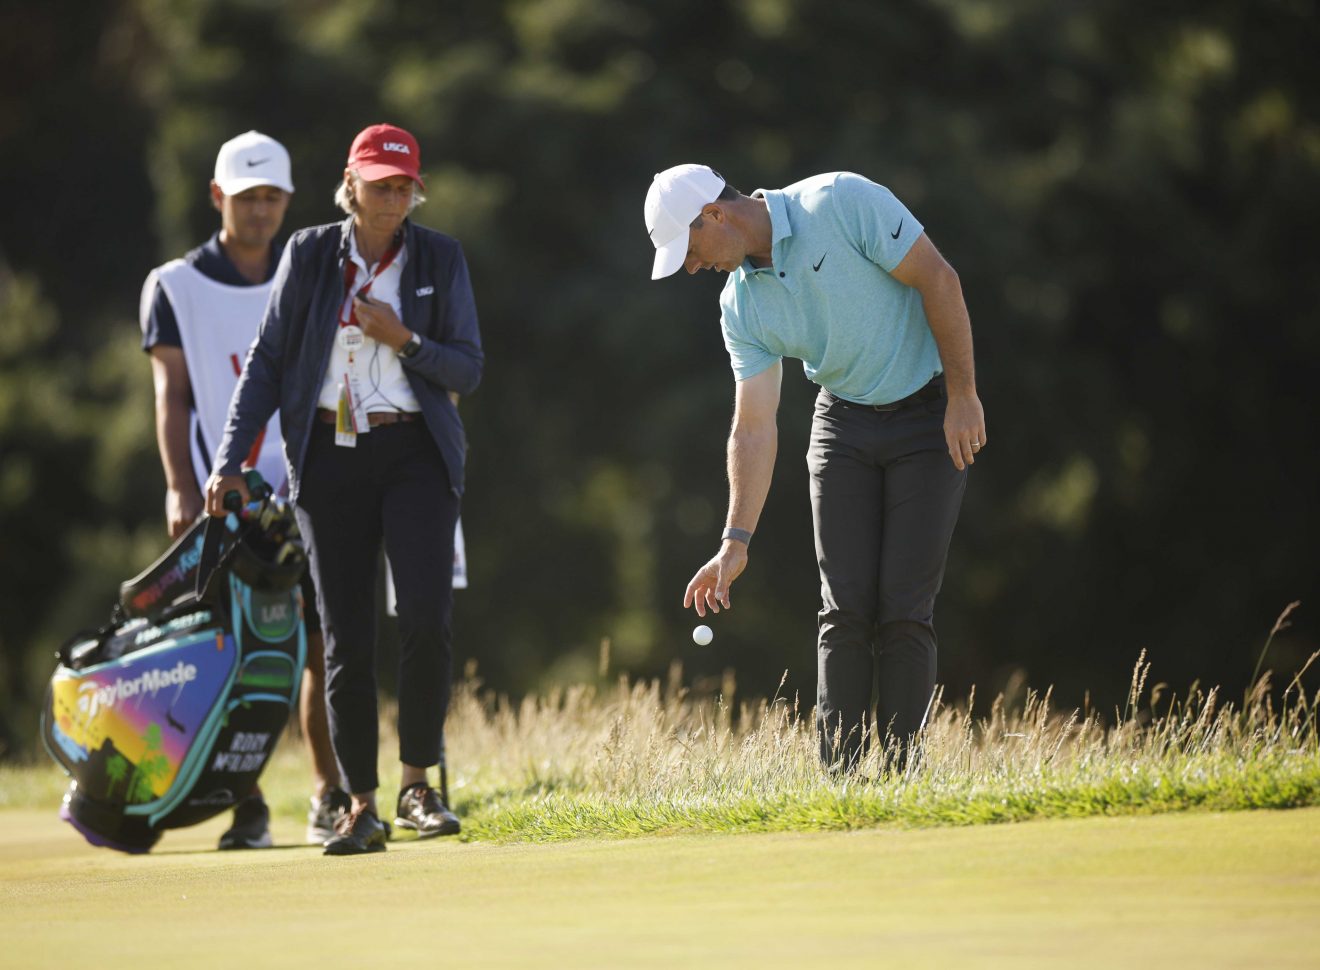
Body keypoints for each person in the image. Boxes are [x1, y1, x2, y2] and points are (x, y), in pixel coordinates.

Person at [645, 164, 986, 771]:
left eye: (690, 250)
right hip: (843, 425)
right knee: (845, 605)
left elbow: (939, 278)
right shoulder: (740, 306)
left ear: (716, 214)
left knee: (904, 605)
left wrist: (963, 396)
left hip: (926, 415)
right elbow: (753, 425)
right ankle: (841, 778)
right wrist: (734, 541)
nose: (692, 267)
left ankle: (902, 773)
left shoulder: (839, 201)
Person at [206, 123, 483, 856]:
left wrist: (404, 340)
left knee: (425, 618)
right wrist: (230, 460)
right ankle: (361, 805)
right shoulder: (307, 253)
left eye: (404, 185)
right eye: (380, 183)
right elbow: (266, 364)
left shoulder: (439, 257)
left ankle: (419, 784)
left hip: (417, 453)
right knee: (343, 639)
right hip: (328, 461)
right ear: (350, 184)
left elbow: (467, 368)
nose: (393, 197)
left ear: (415, 190)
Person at [140, 130, 348, 848]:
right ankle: (247, 804)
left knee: (325, 646)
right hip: (222, 499)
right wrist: (178, 486)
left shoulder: (316, 274)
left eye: (272, 197)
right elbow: (172, 398)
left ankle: (329, 791)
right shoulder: (174, 286)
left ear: (289, 200)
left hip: (313, 485)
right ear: (217, 198)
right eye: (247, 196)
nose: (260, 210)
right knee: (235, 653)